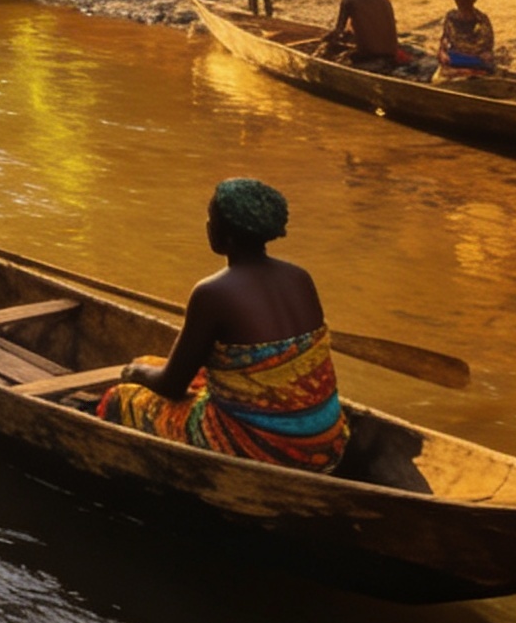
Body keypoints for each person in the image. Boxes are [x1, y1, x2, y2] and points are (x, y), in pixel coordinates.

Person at [95, 179, 348, 472]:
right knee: (153, 363)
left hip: (265, 449)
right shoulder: (300, 277)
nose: (207, 225)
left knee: (122, 397)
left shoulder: (211, 293)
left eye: (211, 219)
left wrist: (134, 373)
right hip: (328, 442)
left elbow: (171, 385)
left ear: (226, 235)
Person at [321, 0, 418, 73]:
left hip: (368, 54)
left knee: (340, 55)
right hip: (391, 51)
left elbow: (338, 30)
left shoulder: (348, 0)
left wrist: (325, 39)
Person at [436, 0, 497, 79]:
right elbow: (445, 39)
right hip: (455, 58)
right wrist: (442, 52)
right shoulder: (451, 17)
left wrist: (485, 55)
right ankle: (466, 72)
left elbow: (487, 46)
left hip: (476, 60)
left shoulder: (481, 20)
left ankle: (467, 72)